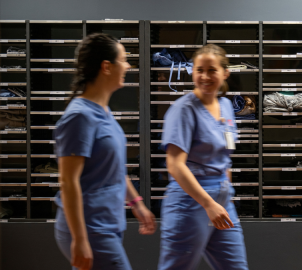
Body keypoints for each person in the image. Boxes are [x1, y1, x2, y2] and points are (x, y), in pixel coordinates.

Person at [53, 33, 156, 270]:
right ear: (106, 67)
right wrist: (80, 239)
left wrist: (136, 203)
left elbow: (114, 168)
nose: (129, 66)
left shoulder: (104, 111)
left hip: (107, 222)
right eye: (124, 60)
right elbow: (68, 182)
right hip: (90, 227)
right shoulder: (79, 116)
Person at [159, 44, 249, 270]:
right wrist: (208, 203)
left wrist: (225, 190)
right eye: (199, 70)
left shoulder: (226, 106)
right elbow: (175, 165)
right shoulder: (183, 109)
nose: (205, 76)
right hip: (189, 202)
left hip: (222, 200)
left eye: (212, 70)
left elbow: (225, 154)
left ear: (225, 72)